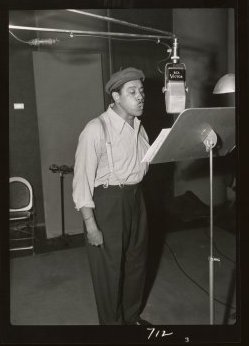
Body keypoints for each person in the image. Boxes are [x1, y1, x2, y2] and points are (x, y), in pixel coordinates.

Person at [72, 67, 152, 325]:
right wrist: (90, 224)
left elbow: (143, 165)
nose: (140, 96)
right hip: (107, 204)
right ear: (116, 97)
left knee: (136, 264)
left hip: (135, 200)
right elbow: (82, 180)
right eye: (132, 92)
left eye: (141, 91)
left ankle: (131, 318)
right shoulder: (96, 129)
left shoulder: (140, 129)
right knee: (109, 272)